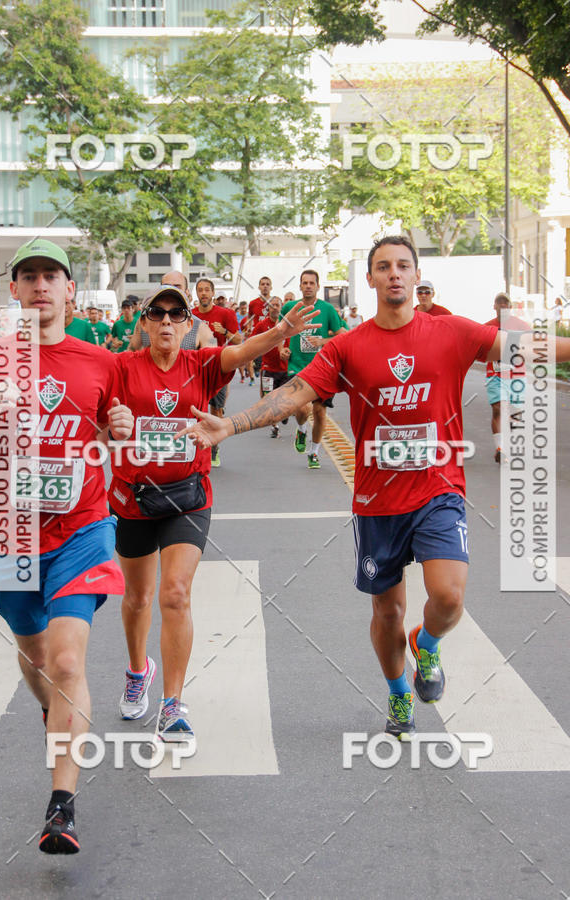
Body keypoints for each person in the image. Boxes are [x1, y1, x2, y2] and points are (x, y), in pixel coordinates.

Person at [177, 235, 570, 740]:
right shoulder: (349, 347)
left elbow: (523, 347)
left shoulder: (451, 332)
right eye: (383, 266)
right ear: (370, 279)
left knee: (448, 598)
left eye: (403, 266)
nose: (394, 274)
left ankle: (426, 644)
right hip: (377, 501)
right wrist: (229, 425)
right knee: (387, 610)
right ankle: (399, 692)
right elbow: (297, 392)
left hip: (437, 490)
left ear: (416, 275)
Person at [0, 238, 133, 854]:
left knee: (68, 662)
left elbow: (113, 426)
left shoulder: (101, 360)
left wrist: (119, 428)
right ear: (12, 290)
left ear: (70, 289)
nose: (40, 286)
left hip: (84, 529)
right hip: (10, 532)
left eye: (51, 276)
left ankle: (61, 806)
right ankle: (53, 714)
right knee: (37, 659)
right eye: (28, 276)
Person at [109, 285, 318, 743]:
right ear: (143, 323)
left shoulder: (200, 364)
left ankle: (171, 705)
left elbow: (243, 349)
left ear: (188, 325)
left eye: (175, 314)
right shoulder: (121, 367)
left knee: (175, 594)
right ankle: (136, 668)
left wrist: (282, 329)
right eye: (157, 314)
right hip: (133, 498)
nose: (166, 322)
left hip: (187, 497)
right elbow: (94, 409)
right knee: (139, 599)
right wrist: (110, 426)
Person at [281, 270, 347, 469]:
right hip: (297, 366)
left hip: (323, 368)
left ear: (318, 286)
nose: (308, 286)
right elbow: (278, 333)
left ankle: (314, 452)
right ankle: (301, 429)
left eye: (312, 283)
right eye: (304, 283)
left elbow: (343, 335)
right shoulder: (290, 307)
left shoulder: (327, 309)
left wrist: (323, 340)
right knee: (302, 408)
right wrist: (281, 349)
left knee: (319, 412)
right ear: (300, 286)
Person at [193, 278, 241, 467]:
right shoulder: (191, 315)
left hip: (219, 368)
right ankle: (194, 447)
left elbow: (238, 340)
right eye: (200, 290)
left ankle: (214, 448)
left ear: (213, 293)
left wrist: (225, 332)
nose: (203, 293)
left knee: (216, 409)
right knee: (196, 408)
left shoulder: (225, 314)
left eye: (206, 290)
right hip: (195, 368)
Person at [484, 293, 531, 464]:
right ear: (494, 306)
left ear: (510, 307)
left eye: (506, 304)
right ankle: (500, 449)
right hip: (495, 374)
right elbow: (479, 349)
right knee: (497, 408)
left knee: (515, 411)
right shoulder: (487, 327)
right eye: (499, 303)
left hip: (517, 375)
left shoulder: (521, 325)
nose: (503, 306)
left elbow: (532, 343)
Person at [129, 271, 213, 352]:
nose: (172, 290)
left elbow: (212, 360)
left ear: (187, 292)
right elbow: (131, 352)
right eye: (166, 286)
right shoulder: (145, 321)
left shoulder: (200, 327)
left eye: (177, 287)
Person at [251, 296, 290, 437]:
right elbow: (252, 341)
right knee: (268, 398)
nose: (274, 308)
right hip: (268, 368)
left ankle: (283, 414)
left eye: (277, 305)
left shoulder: (287, 325)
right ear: (268, 308)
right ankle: (275, 426)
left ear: (281, 307)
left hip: (284, 368)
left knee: (284, 397)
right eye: (272, 305)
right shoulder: (262, 325)